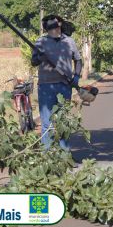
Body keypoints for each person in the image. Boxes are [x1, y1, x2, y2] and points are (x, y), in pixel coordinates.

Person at [31, 14, 83, 150]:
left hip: (65, 86)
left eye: (57, 26)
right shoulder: (40, 42)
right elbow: (33, 61)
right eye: (52, 27)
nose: (56, 29)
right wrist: (40, 58)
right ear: (47, 29)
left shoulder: (69, 41)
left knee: (63, 121)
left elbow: (78, 60)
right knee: (46, 123)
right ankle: (47, 157)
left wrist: (76, 76)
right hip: (45, 87)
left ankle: (65, 156)